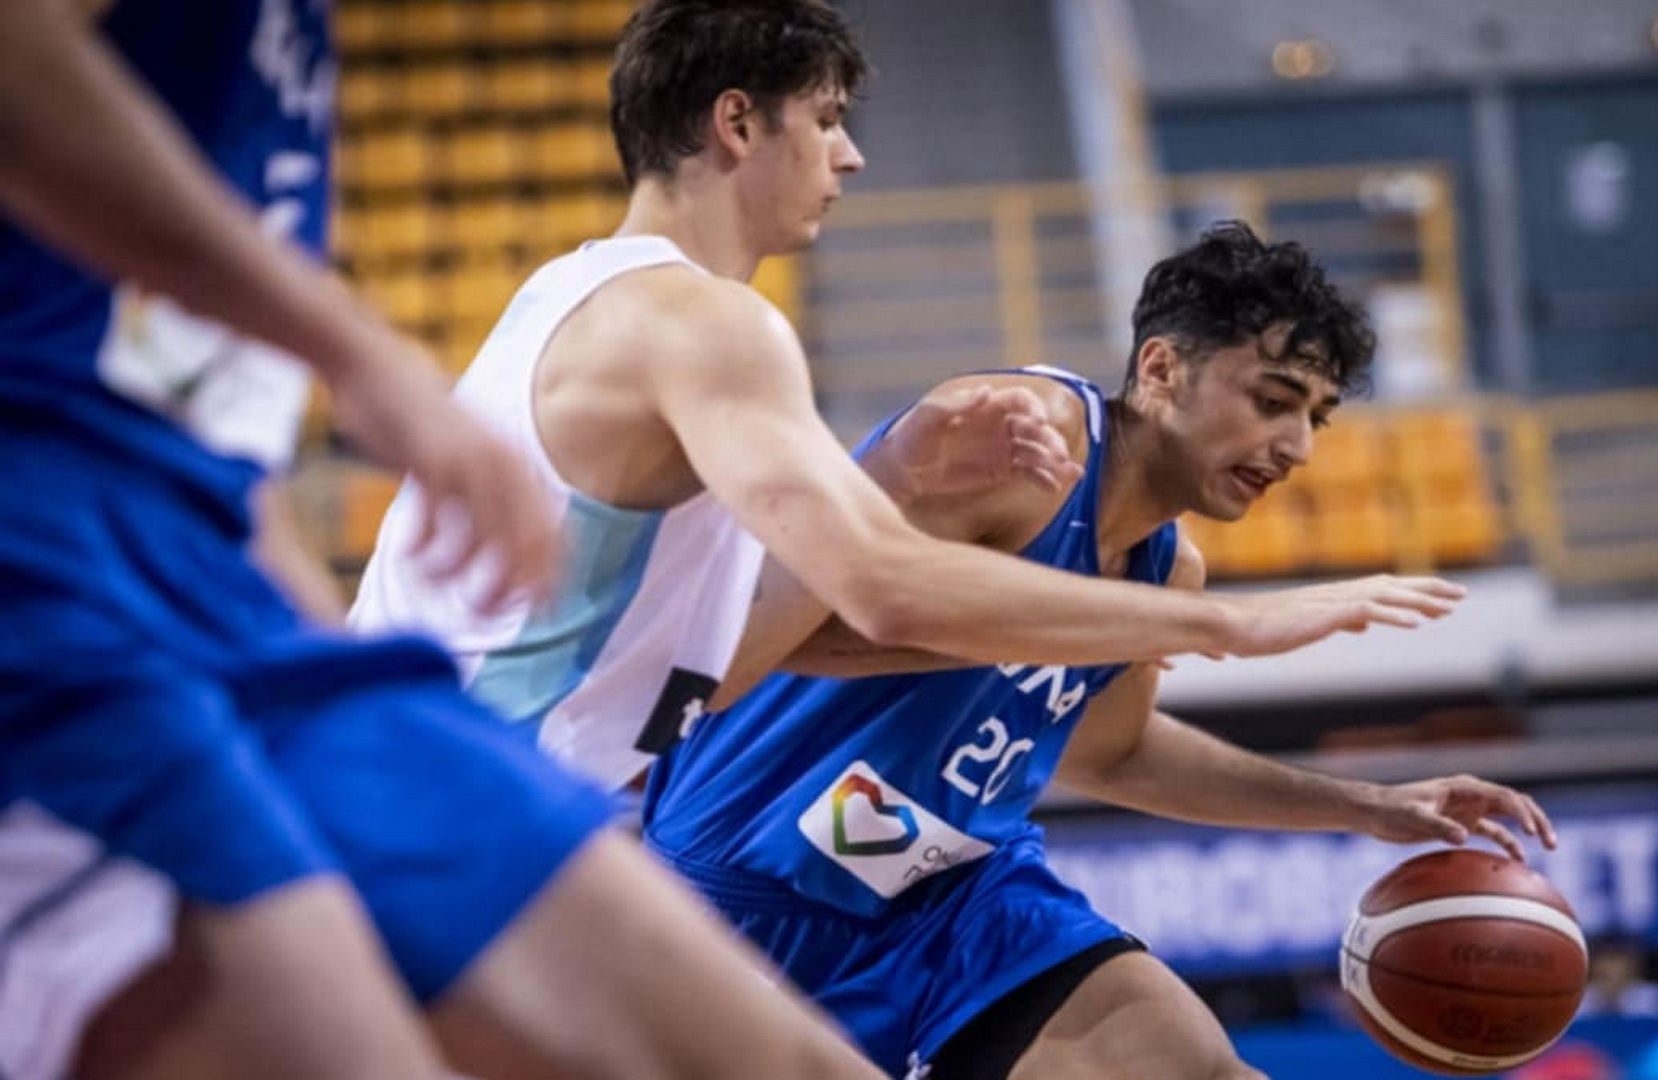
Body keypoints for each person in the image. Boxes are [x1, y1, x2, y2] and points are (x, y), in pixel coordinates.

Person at [0, 2, 891, 1079]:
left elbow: (217, 451)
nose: (850, 154)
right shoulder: (676, 316)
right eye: (828, 120)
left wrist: (327, 656)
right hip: (52, 590)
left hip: (223, 603)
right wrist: (352, 348)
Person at [351, 0, 1465, 801]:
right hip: (454, 790)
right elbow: (882, 589)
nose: (849, 156)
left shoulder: (579, 291)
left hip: (441, 770)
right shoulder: (709, 325)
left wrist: (892, 471)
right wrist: (1233, 626)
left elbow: (741, 655)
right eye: (827, 118)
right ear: (738, 123)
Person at [642, 222, 1562, 1080]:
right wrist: (1183, 627)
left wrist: (1367, 806)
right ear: (1161, 370)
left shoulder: (1166, 568)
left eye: (1314, 418)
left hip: (958, 900)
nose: (1295, 448)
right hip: (747, 885)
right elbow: (780, 640)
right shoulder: (1021, 443)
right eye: (1272, 401)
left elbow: (1113, 753)